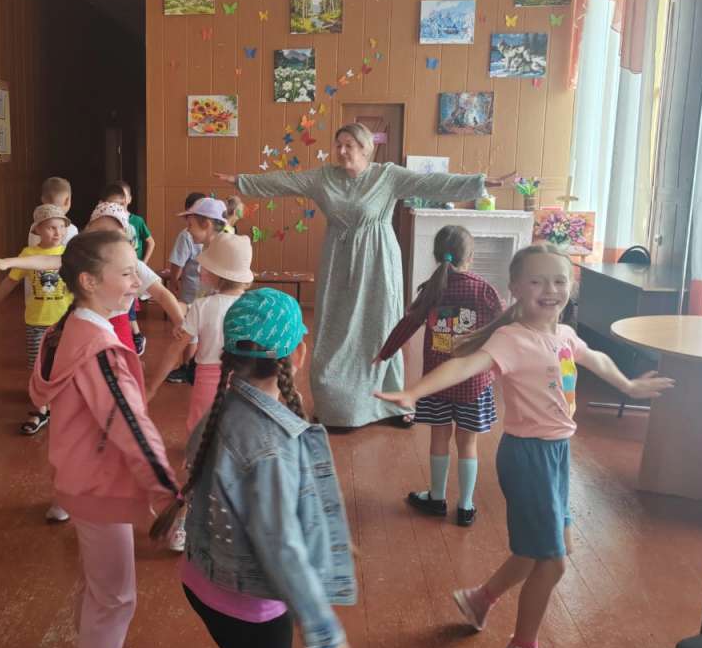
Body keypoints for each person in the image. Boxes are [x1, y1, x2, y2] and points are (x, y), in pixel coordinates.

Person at [374, 244, 674, 648]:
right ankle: (522, 647)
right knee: (553, 561)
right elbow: (465, 364)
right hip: (528, 457)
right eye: (537, 281)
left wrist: (628, 385)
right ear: (514, 288)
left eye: (559, 281)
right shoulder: (512, 339)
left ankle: (480, 598)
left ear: (571, 286)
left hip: (557, 454)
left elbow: (596, 358)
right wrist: (415, 391)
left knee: (545, 550)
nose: (550, 290)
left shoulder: (563, 335)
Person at [216, 122, 511, 428]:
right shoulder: (323, 178)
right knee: (336, 327)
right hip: (338, 261)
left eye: (349, 145)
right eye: (338, 145)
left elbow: (431, 183)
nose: (342, 151)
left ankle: (387, 402)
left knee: (381, 324)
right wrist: (241, 181)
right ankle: (337, 404)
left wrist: (478, 183)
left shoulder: (387, 176)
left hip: (378, 261)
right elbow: (285, 181)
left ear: (366, 148)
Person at [151, 288, 357, 648]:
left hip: (200, 579)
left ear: (228, 355)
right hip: (250, 607)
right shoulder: (271, 446)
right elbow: (281, 544)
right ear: (298, 355)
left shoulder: (216, 414)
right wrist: (325, 633)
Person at [29, 231, 179, 648]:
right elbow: (131, 426)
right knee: (116, 599)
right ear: (89, 281)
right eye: (128, 274)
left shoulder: (67, 328)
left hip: (78, 477)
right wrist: (168, 493)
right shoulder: (99, 351)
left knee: (101, 588)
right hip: (98, 486)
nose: (137, 283)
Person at [374, 225, 503, 527]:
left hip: (436, 383)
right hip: (473, 383)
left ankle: (436, 498)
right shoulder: (484, 290)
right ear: (470, 257)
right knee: (468, 444)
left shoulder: (431, 290)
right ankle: (466, 507)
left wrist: (385, 353)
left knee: (439, 438)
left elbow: (406, 325)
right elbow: (505, 326)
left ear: (436, 256)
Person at [145, 233, 254, 552]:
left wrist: (151, 387)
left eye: (203, 265)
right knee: (237, 453)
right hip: (246, 387)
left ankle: (184, 520)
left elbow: (179, 352)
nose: (199, 269)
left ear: (215, 274)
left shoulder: (202, 306)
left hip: (208, 385)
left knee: (200, 454)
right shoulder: (252, 307)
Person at [0, 204, 187, 352]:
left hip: (118, 326)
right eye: (100, 233)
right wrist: (9, 262)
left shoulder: (132, 263)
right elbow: (48, 261)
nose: (105, 240)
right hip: (86, 325)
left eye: (112, 234)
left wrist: (179, 322)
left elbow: (162, 294)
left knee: (120, 373)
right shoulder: (84, 259)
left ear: (124, 236)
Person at [0, 204, 74, 436]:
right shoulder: (28, 254)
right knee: (38, 367)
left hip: (65, 323)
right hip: (37, 321)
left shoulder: (69, 253)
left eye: (61, 227)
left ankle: (61, 406)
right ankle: (41, 410)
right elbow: (10, 281)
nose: (57, 232)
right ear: (38, 230)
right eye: (51, 227)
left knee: (62, 365)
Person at [167, 195, 228, 384]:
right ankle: (192, 368)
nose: (187, 229)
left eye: (190, 224)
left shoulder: (221, 250)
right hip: (199, 302)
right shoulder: (212, 247)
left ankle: (191, 368)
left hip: (210, 310)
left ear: (207, 224)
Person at [101, 181, 155, 355]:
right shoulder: (97, 258)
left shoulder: (136, 222)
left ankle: (137, 336)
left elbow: (163, 294)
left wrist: (143, 262)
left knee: (129, 309)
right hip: (102, 328)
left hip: (119, 326)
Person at [31, 176, 78, 247]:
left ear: (43, 200)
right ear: (67, 201)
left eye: (61, 226)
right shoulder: (71, 229)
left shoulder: (36, 227)